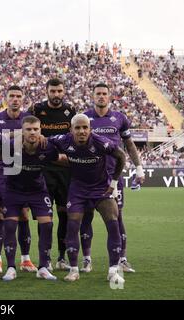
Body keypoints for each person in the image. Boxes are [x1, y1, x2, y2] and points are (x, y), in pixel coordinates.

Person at [49, 114, 127, 283]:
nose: (82, 131)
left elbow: (121, 156)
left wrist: (113, 182)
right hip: (77, 190)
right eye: (78, 128)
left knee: (113, 222)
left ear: (90, 129)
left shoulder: (100, 142)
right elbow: (45, 143)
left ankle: (113, 270)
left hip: (101, 189)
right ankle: (74, 269)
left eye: (85, 127)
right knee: (72, 225)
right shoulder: (63, 140)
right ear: (71, 130)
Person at [80, 83, 145, 273]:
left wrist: (139, 168)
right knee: (86, 216)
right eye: (98, 94)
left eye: (104, 94)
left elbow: (130, 145)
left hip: (113, 177)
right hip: (89, 176)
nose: (101, 96)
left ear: (110, 97)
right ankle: (86, 259)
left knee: (117, 218)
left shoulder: (119, 118)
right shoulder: (85, 117)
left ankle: (122, 259)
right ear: (92, 96)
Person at [2, 116, 62, 281]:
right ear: (22, 131)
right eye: (28, 129)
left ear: (40, 130)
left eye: (36, 129)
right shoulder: (10, 146)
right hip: (13, 190)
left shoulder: (48, 147)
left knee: (47, 224)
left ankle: (43, 267)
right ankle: (11, 268)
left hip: (37, 190)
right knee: (9, 225)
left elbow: (61, 157)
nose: (33, 132)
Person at [0, 86, 37, 274]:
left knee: (24, 214)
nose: (15, 99)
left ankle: (25, 259)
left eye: (18, 96)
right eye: (12, 96)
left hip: (23, 173)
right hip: (1, 172)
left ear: (22, 99)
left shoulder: (28, 120)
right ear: (5, 98)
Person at [29, 78, 76, 271]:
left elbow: (74, 137)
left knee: (64, 214)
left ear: (63, 92)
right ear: (46, 91)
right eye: (53, 91)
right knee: (44, 216)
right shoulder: (37, 110)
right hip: (44, 170)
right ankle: (44, 257)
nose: (56, 95)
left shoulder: (70, 112)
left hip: (65, 171)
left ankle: (62, 257)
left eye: (59, 91)